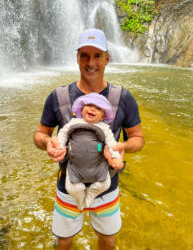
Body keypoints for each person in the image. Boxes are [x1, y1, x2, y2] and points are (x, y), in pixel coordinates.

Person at [34, 28, 144, 250]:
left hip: (107, 185)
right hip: (68, 184)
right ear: (77, 58)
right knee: (63, 241)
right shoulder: (58, 97)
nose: (90, 62)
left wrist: (122, 146)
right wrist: (48, 143)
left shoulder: (123, 97)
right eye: (84, 55)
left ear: (107, 58)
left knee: (107, 239)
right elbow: (40, 134)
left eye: (97, 55)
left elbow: (138, 138)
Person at [56, 93, 123, 211]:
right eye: (89, 105)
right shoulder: (73, 123)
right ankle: (80, 198)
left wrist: (116, 156)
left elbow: (111, 143)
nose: (92, 109)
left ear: (103, 116)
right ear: (81, 110)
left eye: (98, 108)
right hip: (75, 166)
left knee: (105, 184)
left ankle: (91, 193)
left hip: (98, 165)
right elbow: (63, 134)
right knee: (71, 188)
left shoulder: (104, 127)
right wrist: (59, 146)